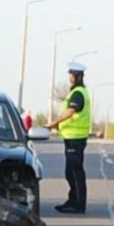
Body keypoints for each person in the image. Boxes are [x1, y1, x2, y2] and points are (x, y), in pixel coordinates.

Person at [45, 62, 91, 214]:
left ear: (77, 76)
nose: (70, 77)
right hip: (72, 137)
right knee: (70, 171)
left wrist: (54, 122)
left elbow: (71, 111)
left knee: (74, 172)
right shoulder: (77, 92)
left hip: (75, 138)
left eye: (72, 74)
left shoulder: (78, 93)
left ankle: (77, 203)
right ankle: (73, 200)